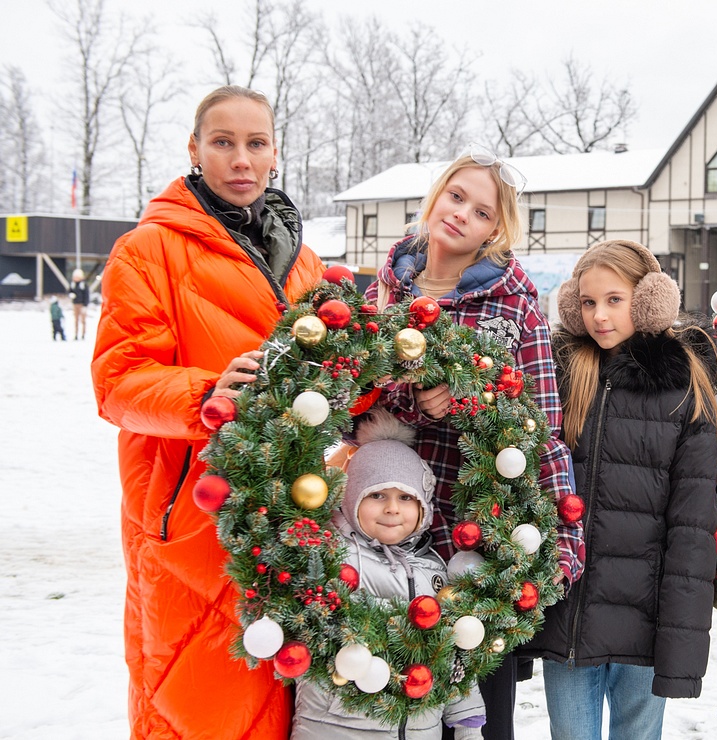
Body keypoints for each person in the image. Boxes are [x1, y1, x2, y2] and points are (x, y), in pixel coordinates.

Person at [90, 85, 325, 739]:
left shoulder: (303, 263)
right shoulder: (147, 250)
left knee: (283, 703)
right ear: (194, 150)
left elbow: (330, 380)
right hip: (190, 519)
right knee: (194, 707)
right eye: (223, 142)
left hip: (286, 515)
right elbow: (118, 381)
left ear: (275, 153)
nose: (241, 159)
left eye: (256, 143)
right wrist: (206, 396)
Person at [354, 145, 582, 740]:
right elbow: (357, 394)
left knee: (478, 714)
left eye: (482, 212)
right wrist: (408, 395)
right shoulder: (387, 290)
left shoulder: (514, 308)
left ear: (495, 231)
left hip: (472, 533)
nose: (461, 214)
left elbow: (539, 422)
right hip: (386, 528)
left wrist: (560, 538)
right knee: (378, 698)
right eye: (456, 196)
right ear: (436, 196)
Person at [521, 239, 717, 740]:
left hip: (646, 619)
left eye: (615, 299)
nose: (599, 316)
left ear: (650, 299)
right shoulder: (561, 376)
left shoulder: (683, 392)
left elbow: (691, 529)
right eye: (588, 302)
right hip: (567, 613)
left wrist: (679, 651)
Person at [293, 410, 485, 740]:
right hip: (337, 728)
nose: (392, 508)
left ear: (423, 505)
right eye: (377, 495)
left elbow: (452, 655)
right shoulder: (334, 557)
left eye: (406, 497)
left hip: (420, 730)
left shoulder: (434, 570)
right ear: (351, 498)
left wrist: (468, 724)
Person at [68, 268, 89, 339]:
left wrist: (85, 305)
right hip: (75, 304)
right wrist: (71, 294)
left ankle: (83, 334)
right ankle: (76, 334)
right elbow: (69, 291)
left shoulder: (84, 285)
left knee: (83, 320)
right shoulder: (73, 285)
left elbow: (86, 295)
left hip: (82, 304)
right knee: (76, 320)